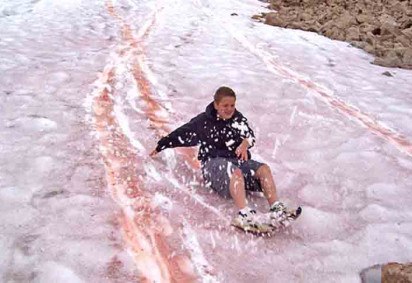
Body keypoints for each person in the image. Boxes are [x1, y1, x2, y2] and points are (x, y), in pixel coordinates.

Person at [150, 86, 289, 228]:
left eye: (232, 105)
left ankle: (276, 209)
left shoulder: (237, 120)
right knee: (234, 172)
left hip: (235, 162)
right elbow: (181, 133)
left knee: (263, 169)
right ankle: (244, 215)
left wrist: (245, 144)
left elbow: (250, 135)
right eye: (225, 105)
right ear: (216, 105)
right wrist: (162, 144)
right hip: (213, 165)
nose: (229, 109)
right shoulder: (203, 122)